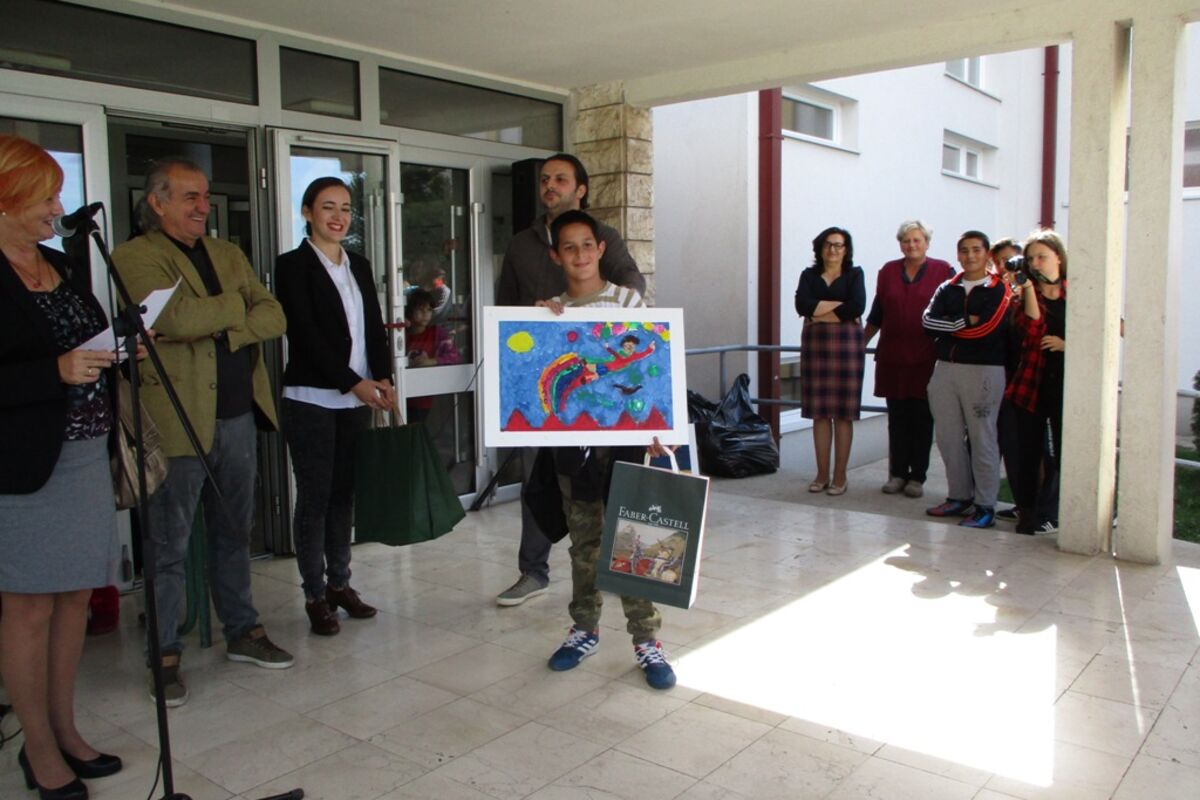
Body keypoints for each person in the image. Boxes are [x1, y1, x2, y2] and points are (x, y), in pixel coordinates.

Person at [113, 157, 292, 708]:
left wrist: (219, 325)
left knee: (234, 532)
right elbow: (173, 320)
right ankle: (164, 654)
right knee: (168, 544)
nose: (202, 206)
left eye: (205, 196)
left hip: (237, 416)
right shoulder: (134, 256)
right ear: (157, 201)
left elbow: (275, 315)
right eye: (189, 196)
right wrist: (234, 308)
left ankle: (242, 630)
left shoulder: (227, 253)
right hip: (177, 419)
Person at [0, 135, 124, 799]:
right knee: (28, 610)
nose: (57, 207)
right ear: (4, 200)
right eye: (45, 196)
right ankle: (38, 747)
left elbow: (83, 340)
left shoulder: (57, 262)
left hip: (83, 455)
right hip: (23, 467)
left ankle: (66, 728)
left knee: (76, 596)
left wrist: (119, 346)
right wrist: (54, 370)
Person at [494, 153, 645, 607]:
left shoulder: (604, 237)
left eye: (560, 179)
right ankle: (533, 571)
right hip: (544, 389)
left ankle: (621, 580)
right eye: (545, 179)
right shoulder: (520, 244)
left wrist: (604, 324)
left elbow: (634, 291)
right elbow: (506, 310)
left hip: (602, 397)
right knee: (539, 483)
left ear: (581, 189)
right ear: (555, 254)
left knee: (611, 495)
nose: (550, 186)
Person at [535, 209, 675, 690]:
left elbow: (653, 365)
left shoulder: (627, 300)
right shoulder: (547, 312)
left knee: (633, 538)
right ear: (556, 255)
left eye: (586, 245)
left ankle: (646, 639)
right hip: (574, 448)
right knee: (585, 542)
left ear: (600, 249)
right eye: (568, 247)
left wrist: (659, 424)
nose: (579, 254)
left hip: (627, 443)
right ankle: (584, 630)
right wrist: (538, 326)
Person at [274, 177, 394, 636]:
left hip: (356, 400)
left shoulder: (358, 264)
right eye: (328, 207)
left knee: (345, 495)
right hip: (311, 400)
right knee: (316, 497)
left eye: (345, 208)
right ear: (307, 212)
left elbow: (374, 329)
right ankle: (314, 593)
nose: (338, 217)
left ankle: (340, 584)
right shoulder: (292, 266)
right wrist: (354, 383)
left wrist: (383, 377)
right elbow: (305, 335)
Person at [922, 230, 1012, 529]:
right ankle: (959, 496)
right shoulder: (947, 287)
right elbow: (927, 322)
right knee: (947, 437)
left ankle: (985, 505)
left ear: (987, 254)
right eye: (964, 250)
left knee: (982, 438)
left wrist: (949, 325)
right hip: (945, 369)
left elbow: (985, 329)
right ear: (958, 254)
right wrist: (962, 322)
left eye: (976, 250)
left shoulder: (999, 289)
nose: (970, 256)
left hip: (984, 370)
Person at [864, 220, 955, 499]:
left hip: (927, 358)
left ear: (927, 243)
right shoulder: (888, 271)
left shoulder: (943, 271)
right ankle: (897, 474)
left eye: (917, 240)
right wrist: (859, 343)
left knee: (922, 418)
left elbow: (953, 311)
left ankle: (917, 477)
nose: (911, 245)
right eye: (906, 240)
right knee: (897, 418)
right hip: (893, 357)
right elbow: (878, 312)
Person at [794, 226, 866, 496]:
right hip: (816, 347)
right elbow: (802, 306)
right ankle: (822, 474)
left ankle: (840, 476)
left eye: (838, 245)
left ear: (846, 250)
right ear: (820, 248)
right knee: (820, 413)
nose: (833, 249)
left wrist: (817, 314)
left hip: (847, 348)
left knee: (843, 414)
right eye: (828, 244)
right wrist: (839, 308)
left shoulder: (855, 274)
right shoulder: (809, 275)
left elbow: (857, 306)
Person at [1005, 230, 1067, 534]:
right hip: (1033, 384)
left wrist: (1067, 345)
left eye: (1042, 256)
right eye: (1031, 259)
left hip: (1067, 385)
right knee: (1028, 453)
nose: (1036, 263)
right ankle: (1029, 513)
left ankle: (1054, 512)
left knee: (1061, 452)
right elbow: (1032, 328)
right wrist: (1028, 287)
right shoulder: (1026, 294)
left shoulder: (1079, 291)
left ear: (1059, 257)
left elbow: (1108, 330)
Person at [403, 287, 461, 423]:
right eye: (420, 309)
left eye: (429, 310)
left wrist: (432, 361)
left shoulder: (437, 333)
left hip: (425, 395)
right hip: (402, 392)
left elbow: (455, 356)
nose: (425, 314)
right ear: (409, 311)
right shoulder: (401, 334)